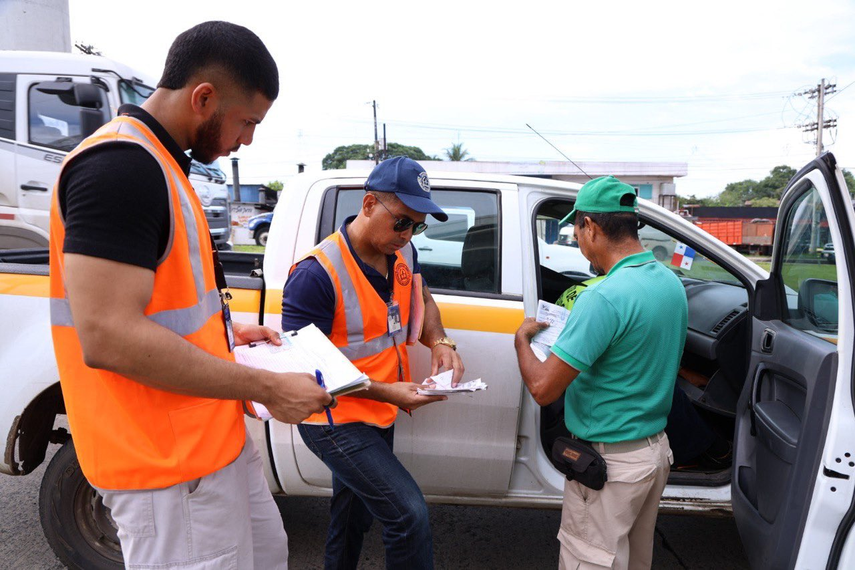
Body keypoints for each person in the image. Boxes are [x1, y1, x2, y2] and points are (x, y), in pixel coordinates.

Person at [48, 21, 332, 569]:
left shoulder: (160, 164)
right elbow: (108, 336)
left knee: (268, 555)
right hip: (167, 468)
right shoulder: (122, 168)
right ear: (203, 98)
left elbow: (163, 304)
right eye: (246, 121)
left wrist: (229, 333)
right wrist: (268, 387)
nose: (247, 139)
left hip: (208, 446)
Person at [282, 156, 465, 570]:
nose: (407, 235)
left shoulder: (403, 253)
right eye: (401, 221)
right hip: (334, 420)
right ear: (368, 205)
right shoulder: (316, 274)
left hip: (378, 411)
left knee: (352, 518)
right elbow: (306, 370)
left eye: (416, 225)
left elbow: (424, 299)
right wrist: (388, 391)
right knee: (408, 515)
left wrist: (439, 340)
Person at [514, 175, 687, 570]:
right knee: (632, 560)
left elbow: (542, 388)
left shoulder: (603, 296)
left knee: (587, 560)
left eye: (576, 230)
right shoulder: (668, 283)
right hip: (652, 454)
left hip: (610, 468)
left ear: (589, 226)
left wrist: (522, 341)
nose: (577, 240)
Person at [555, 277, 731, 471]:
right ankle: (708, 451)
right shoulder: (615, 296)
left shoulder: (588, 289)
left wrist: (682, 371)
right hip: (610, 431)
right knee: (657, 382)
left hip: (578, 384)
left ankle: (708, 448)